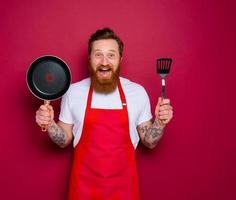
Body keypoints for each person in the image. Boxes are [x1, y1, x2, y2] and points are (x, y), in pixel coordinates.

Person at [35, 28, 173, 200]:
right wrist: (49, 124)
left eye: (111, 55)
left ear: (120, 59)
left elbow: (149, 142)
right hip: (82, 190)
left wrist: (159, 123)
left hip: (125, 191)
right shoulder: (74, 92)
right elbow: (64, 140)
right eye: (98, 54)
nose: (104, 61)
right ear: (90, 58)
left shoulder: (137, 93)